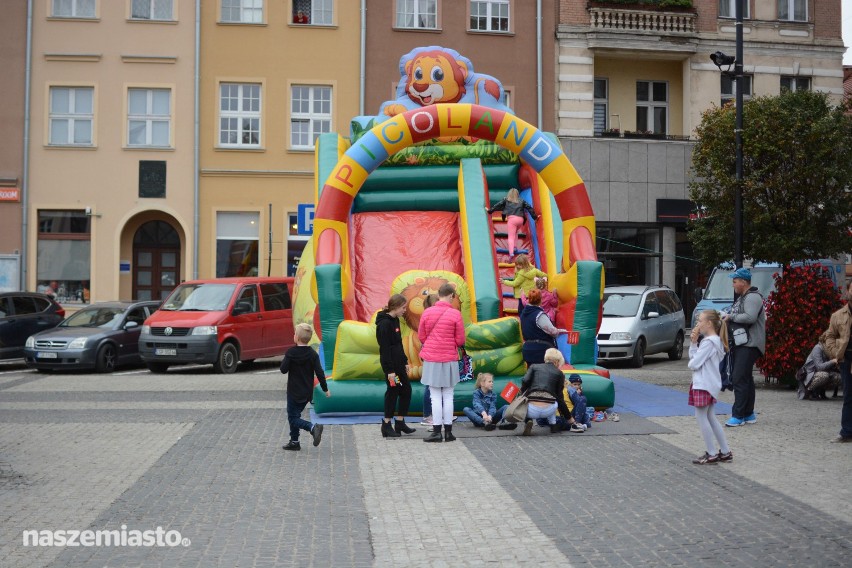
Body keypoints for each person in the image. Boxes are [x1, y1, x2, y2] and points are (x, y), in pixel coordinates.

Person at [418, 284, 465, 443]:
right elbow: (460, 340)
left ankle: (437, 431)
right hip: (449, 358)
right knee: (449, 395)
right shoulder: (456, 314)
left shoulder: (427, 312)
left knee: (435, 396)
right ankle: (449, 432)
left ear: (439, 295)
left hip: (432, 359)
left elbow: (421, 337)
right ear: (451, 295)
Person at [688, 310, 733, 464]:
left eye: (700, 321)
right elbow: (696, 360)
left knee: (701, 417)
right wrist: (694, 344)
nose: (698, 324)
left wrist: (693, 346)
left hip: (703, 383)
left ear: (709, 323)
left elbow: (693, 363)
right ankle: (725, 451)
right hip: (710, 384)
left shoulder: (708, 342)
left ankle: (711, 453)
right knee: (710, 417)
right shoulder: (717, 341)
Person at [722, 268, 765, 427]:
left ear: (743, 282)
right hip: (745, 343)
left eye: (735, 281)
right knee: (746, 378)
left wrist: (730, 316)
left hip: (750, 343)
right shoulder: (745, 297)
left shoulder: (752, 297)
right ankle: (748, 413)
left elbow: (750, 317)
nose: (733, 284)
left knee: (739, 377)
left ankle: (738, 415)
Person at [280, 323, 330, 451]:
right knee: (295, 414)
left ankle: (312, 428)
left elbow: (283, 370)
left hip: (293, 392)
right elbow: (320, 373)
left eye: (295, 333)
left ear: (296, 337)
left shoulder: (291, 353)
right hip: (307, 393)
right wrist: (325, 388)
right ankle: (294, 441)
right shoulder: (313, 354)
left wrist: (287, 359)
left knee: (292, 417)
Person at [376, 294, 416, 438]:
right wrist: (390, 371)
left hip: (399, 365)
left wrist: (405, 361)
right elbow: (384, 349)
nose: (405, 310)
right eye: (403, 307)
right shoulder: (384, 324)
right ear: (396, 306)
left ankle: (399, 421)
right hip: (392, 369)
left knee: (405, 390)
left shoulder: (396, 321)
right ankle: (386, 424)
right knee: (393, 391)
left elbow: (398, 343)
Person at [515, 348, 576, 436]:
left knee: (527, 401)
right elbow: (560, 399)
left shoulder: (534, 366)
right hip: (549, 410)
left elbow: (525, 381)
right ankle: (553, 425)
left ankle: (528, 420)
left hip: (531, 410)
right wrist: (570, 419)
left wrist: (523, 394)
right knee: (554, 399)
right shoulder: (560, 374)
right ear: (557, 361)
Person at [824, 280, 852, 443]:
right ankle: (847, 431)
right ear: (847, 292)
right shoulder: (838, 315)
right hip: (847, 359)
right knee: (848, 395)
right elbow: (829, 336)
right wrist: (835, 353)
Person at [486, 187, 538, 259]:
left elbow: (497, 205)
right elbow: (529, 207)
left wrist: (490, 211)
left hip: (512, 220)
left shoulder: (506, 200)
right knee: (516, 232)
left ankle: (511, 253)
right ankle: (515, 247)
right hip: (520, 220)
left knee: (511, 236)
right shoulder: (521, 201)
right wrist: (535, 217)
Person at [520, 289, 567, 367]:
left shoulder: (523, 314)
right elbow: (553, 332)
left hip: (527, 349)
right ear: (540, 300)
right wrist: (563, 331)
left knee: (532, 374)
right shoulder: (539, 315)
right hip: (541, 350)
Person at [799, 331, 841, 400]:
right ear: (825, 339)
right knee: (824, 375)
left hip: (822, 373)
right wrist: (832, 361)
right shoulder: (818, 348)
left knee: (838, 377)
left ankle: (821, 391)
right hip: (811, 374)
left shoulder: (830, 351)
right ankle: (810, 392)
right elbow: (819, 367)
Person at [419, 293, 439, 427]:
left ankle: (438, 414)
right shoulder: (430, 315)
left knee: (437, 384)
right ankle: (427, 415)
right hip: (432, 352)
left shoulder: (429, 315)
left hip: (433, 352)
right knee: (430, 385)